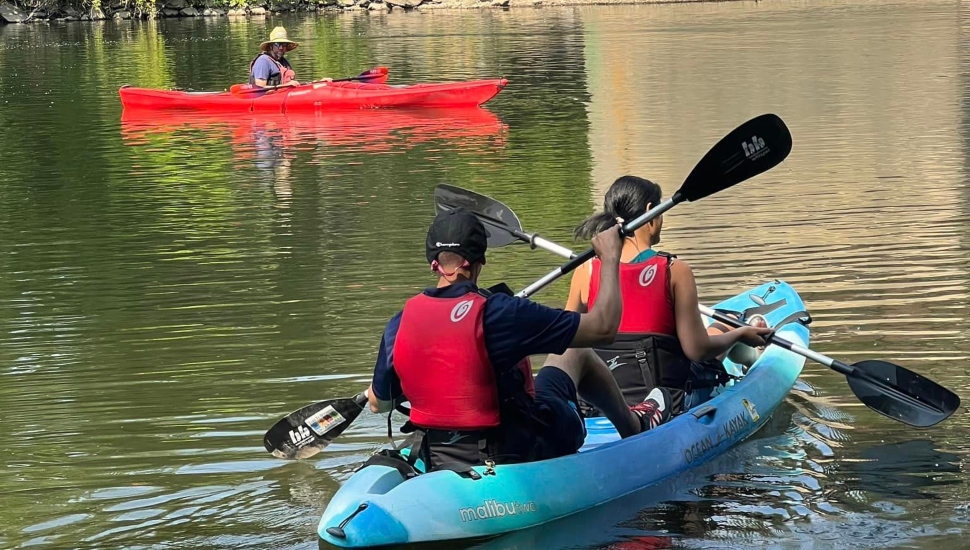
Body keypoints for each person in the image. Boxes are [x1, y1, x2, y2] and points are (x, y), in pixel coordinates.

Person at [366, 208, 671, 470]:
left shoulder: (400, 321)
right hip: (515, 451)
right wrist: (610, 257)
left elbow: (380, 403)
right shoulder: (502, 313)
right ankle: (634, 427)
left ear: (432, 260)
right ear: (481, 260)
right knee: (575, 353)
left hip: (439, 452)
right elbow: (603, 328)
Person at [566, 176, 772, 414]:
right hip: (667, 402)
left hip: (600, 403)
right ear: (651, 211)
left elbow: (566, 341)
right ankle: (750, 356)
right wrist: (740, 333)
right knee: (724, 327)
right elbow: (697, 350)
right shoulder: (674, 271)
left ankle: (746, 352)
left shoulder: (586, 270)